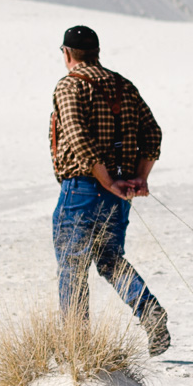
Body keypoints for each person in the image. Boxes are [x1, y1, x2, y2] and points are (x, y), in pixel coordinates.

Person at [49, 25, 170, 356]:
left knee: (72, 267)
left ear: (67, 53)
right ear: (97, 52)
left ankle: (76, 346)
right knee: (109, 260)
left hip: (83, 189)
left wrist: (106, 180)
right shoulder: (124, 86)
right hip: (118, 194)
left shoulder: (69, 85)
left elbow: (76, 136)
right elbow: (153, 133)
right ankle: (149, 313)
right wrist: (139, 178)